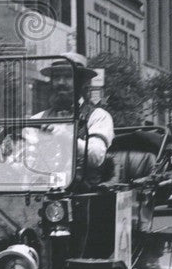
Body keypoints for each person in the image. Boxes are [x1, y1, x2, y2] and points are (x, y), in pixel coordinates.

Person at [32, 53, 114, 190]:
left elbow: (96, 156)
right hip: (40, 193)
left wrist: (65, 136)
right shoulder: (37, 119)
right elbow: (27, 161)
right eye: (56, 77)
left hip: (79, 195)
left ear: (82, 82)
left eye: (68, 77)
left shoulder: (98, 116)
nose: (61, 83)